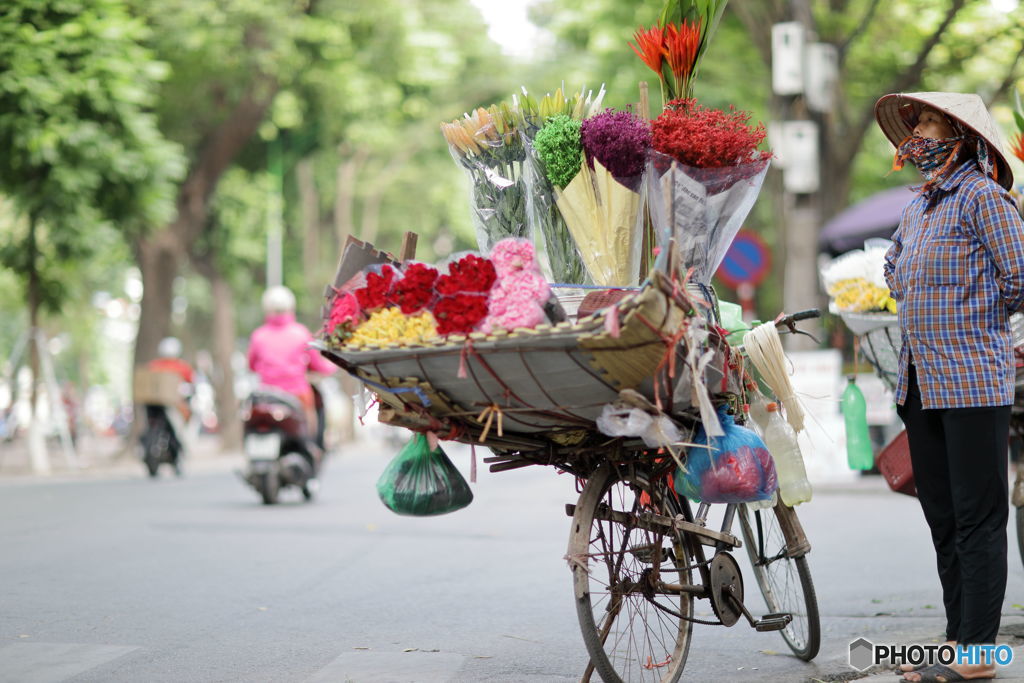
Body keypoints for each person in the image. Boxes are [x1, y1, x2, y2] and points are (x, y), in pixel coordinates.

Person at [877, 92, 1024, 682]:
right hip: (919, 382)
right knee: (943, 519)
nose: (918, 131)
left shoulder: (984, 199)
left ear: (960, 135)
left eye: (930, 121)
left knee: (978, 518)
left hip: (970, 382)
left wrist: (975, 320)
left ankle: (978, 655)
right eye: (916, 123)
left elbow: (1019, 277)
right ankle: (958, 641)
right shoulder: (919, 208)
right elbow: (893, 265)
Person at [248, 286, 336, 439]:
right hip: (297, 393)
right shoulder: (301, 333)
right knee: (311, 419)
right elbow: (318, 365)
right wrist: (334, 365)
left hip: (267, 395)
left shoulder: (258, 335)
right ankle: (312, 445)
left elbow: (251, 365)